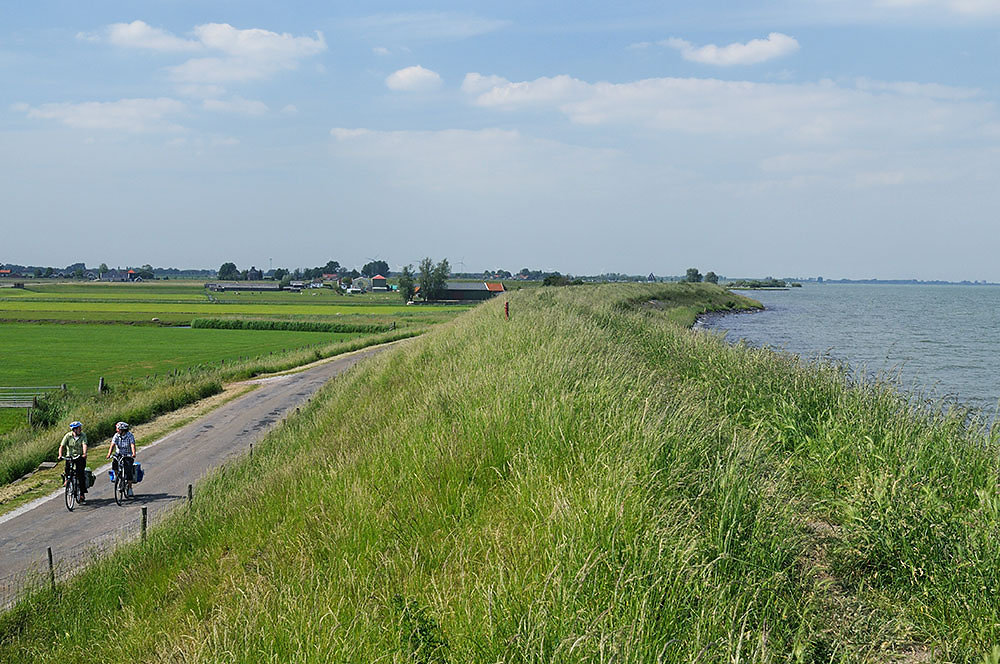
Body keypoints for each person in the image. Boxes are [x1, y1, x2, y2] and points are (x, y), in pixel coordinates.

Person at [58, 421, 89, 503]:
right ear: (74, 429)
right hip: (70, 456)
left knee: (80, 474)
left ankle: (82, 494)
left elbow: (84, 444)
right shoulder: (68, 436)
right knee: (67, 469)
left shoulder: (83, 435)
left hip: (79, 456)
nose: (80, 429)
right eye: (79, 428)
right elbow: (62, 446)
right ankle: (67, 480)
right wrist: (60, 455)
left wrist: (84, 453)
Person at [106, 422, 136, 497]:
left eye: (118, 429)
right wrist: (109, 454)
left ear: (122, 430)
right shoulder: (116, 436)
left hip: (128, 454)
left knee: (128, 470)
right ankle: (117, 477)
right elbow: (112, 445)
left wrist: (133, 453)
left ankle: (129, 488)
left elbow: (132, 444)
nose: (117, 430)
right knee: (114, 464)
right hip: (119, 453)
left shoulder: (130, 436)